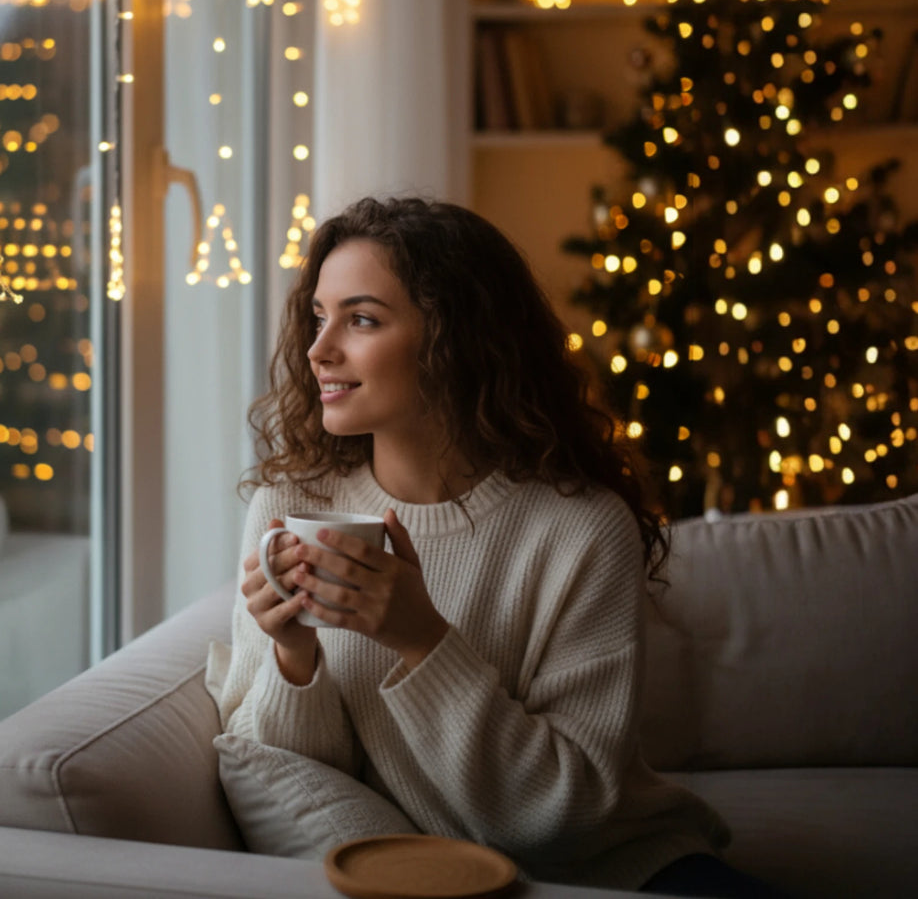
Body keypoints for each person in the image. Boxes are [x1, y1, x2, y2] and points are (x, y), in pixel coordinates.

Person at [208, 196, 786, 897]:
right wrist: (292, 659)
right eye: (318, 317)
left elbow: (565, 814)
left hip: (621, 869)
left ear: (459, 341)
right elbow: (290, 775)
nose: (318, 350)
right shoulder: (289, 511)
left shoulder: (581, 529)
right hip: (432, 874)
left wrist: (422, 639)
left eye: (361, 319)